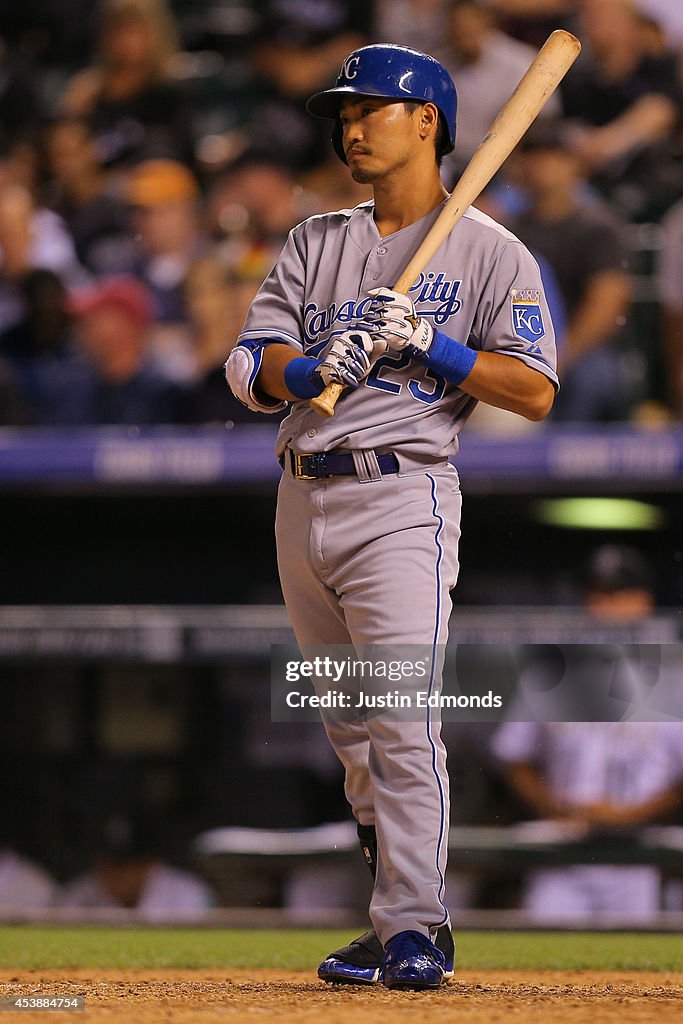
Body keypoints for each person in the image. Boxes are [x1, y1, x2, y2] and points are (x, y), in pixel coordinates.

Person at [226, 44, 557, 989]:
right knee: (349, 733)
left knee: (402, 718)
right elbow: (247, 367)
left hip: (402, 495)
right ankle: (389, 919)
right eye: (344, 113)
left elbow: (532, 391)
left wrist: (433, 346)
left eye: (372, 109)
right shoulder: (314, 239)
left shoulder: (493, 250)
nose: (352, 126)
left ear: (428, 123)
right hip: (301, 488)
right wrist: (312, 369)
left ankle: (418, 926)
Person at [491, 545, 683, 924]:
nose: (602, 607)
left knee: (641, 966)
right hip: (565, 846)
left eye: (616, 594)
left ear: (645, 601)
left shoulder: (674, 676)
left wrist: (632, 815)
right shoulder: (551, 674)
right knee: (541, 960)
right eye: (595, 595)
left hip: (642, 851)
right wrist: (556, 808)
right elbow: (515, 758)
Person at [506, 123, 632, 421]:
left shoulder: (597, 227)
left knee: (592, 377)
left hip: (582, 351)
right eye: (535, 155)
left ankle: (577, 468)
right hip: (524, 350)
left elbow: (606, 306)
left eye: (556, 156)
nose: (544, 165)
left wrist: (558, 358)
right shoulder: (509, 231)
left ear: (576, 165)